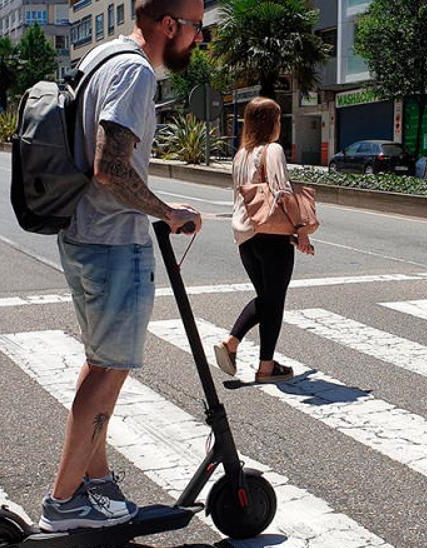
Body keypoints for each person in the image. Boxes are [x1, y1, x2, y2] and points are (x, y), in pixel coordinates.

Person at [39, 0, 204, 532]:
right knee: (109, 372)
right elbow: (111, 166)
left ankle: (96, 481)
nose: (199, 40)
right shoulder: (135, 71)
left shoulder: (101, 57)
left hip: (83, 234)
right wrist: (168, 212)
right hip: (113, 242)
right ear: (169, 25)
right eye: (197, 28)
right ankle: (64, 503)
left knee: (100, 362)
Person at [213, 97, 314, 384]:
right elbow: (282, 192)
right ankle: (259, 362)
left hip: (245, 237)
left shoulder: (241, 155)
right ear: (271, 122)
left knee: (267, 299)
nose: (281, 124)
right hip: (271, 237)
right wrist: (301, 230)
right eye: (279, 119)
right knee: (274, 300)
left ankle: (240, 349)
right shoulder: (273, 150)